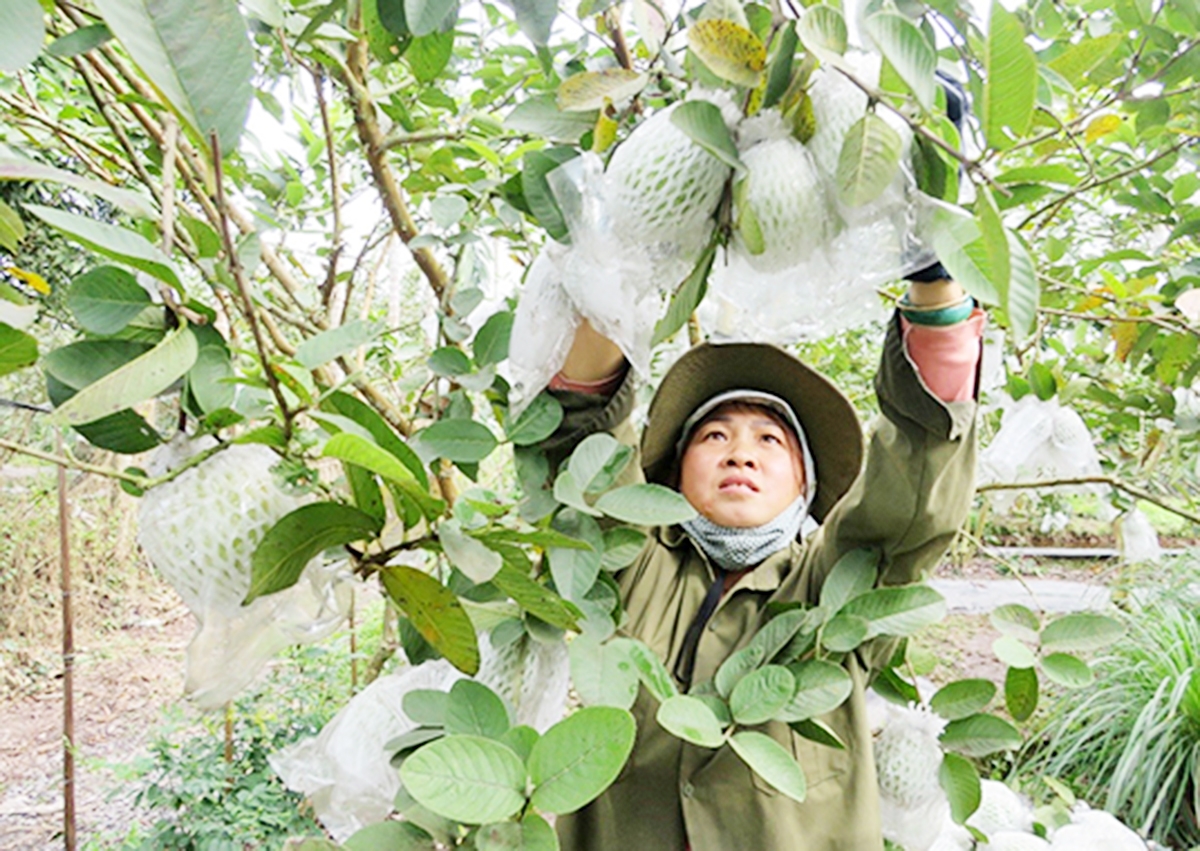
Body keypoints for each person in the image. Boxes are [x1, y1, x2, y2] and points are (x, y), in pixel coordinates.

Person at [537, 269, 985, 851]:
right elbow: (584, 442)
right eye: (714, 437)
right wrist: (613, 270)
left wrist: (936, 291)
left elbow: (912, 492)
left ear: (804, 484)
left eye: (769, 440)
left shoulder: (832, 587)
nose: (740, 454)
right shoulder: (635, 565)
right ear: (673, 474)